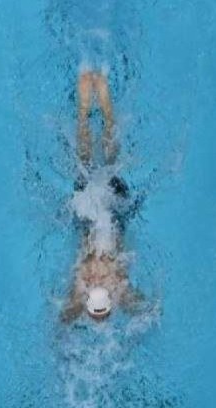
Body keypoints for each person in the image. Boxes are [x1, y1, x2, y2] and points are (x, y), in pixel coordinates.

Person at [61, 70, 144, 323]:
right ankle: (86, 107)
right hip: (88, 209)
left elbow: (144, 309)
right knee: (85, 163)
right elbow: (68, 313)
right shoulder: (87, 284)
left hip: (113, 207)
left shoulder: (117, 285)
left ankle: (105, 105)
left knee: (110, 163)